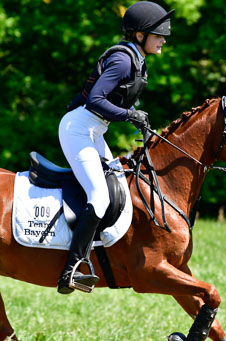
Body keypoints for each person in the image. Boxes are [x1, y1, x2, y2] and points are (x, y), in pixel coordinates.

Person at [57, 1, 175, 294]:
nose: (163, 39)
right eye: (157, 35)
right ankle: (70, 270)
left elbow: (118, 97)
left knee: (119, 187)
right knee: (99, 196)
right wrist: (129, 115)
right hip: (78, 129)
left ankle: (103, 253)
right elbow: (95, 100)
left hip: (95, 131)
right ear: (139, 36)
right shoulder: (124, 60)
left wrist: (136, 115)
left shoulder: (136, 59)